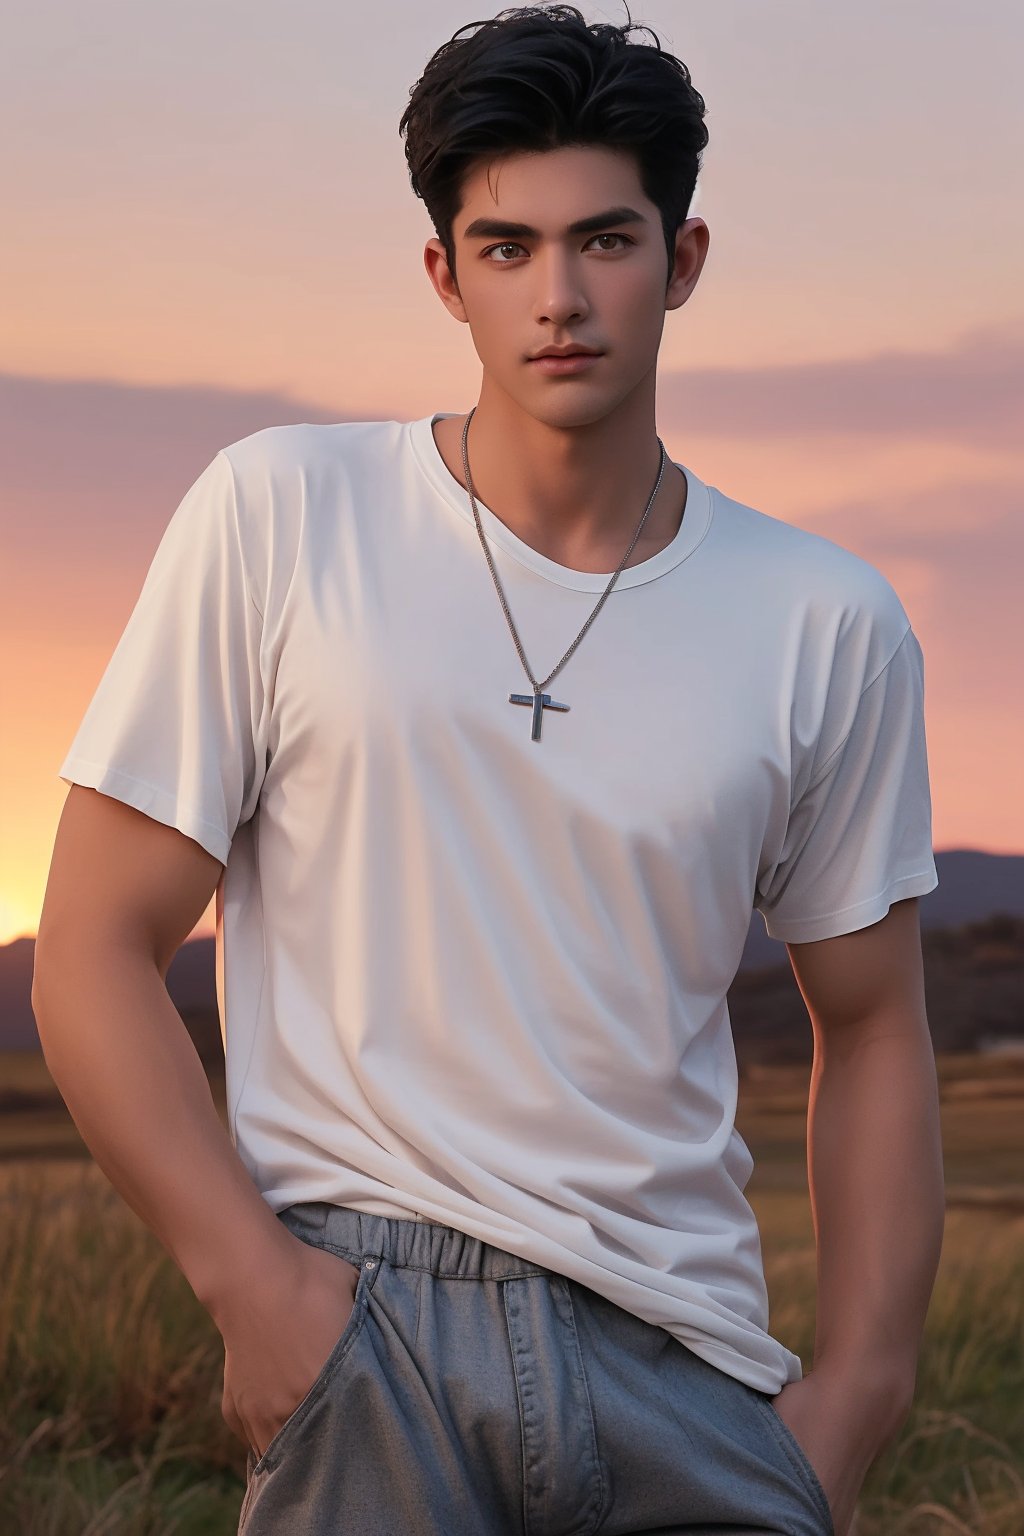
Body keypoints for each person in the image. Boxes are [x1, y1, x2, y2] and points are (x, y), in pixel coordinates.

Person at [33, 5, 946, 1534]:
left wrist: (856, 1397)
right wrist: (255, 1288)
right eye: (508, 249)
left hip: (689, 1372)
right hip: (367, 1336)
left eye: (607, 240)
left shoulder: (825, 620)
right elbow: (90, 950)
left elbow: (874, 1030)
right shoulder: (282, 516)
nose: (562, 297)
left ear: (686, 258)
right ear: (447, 275)